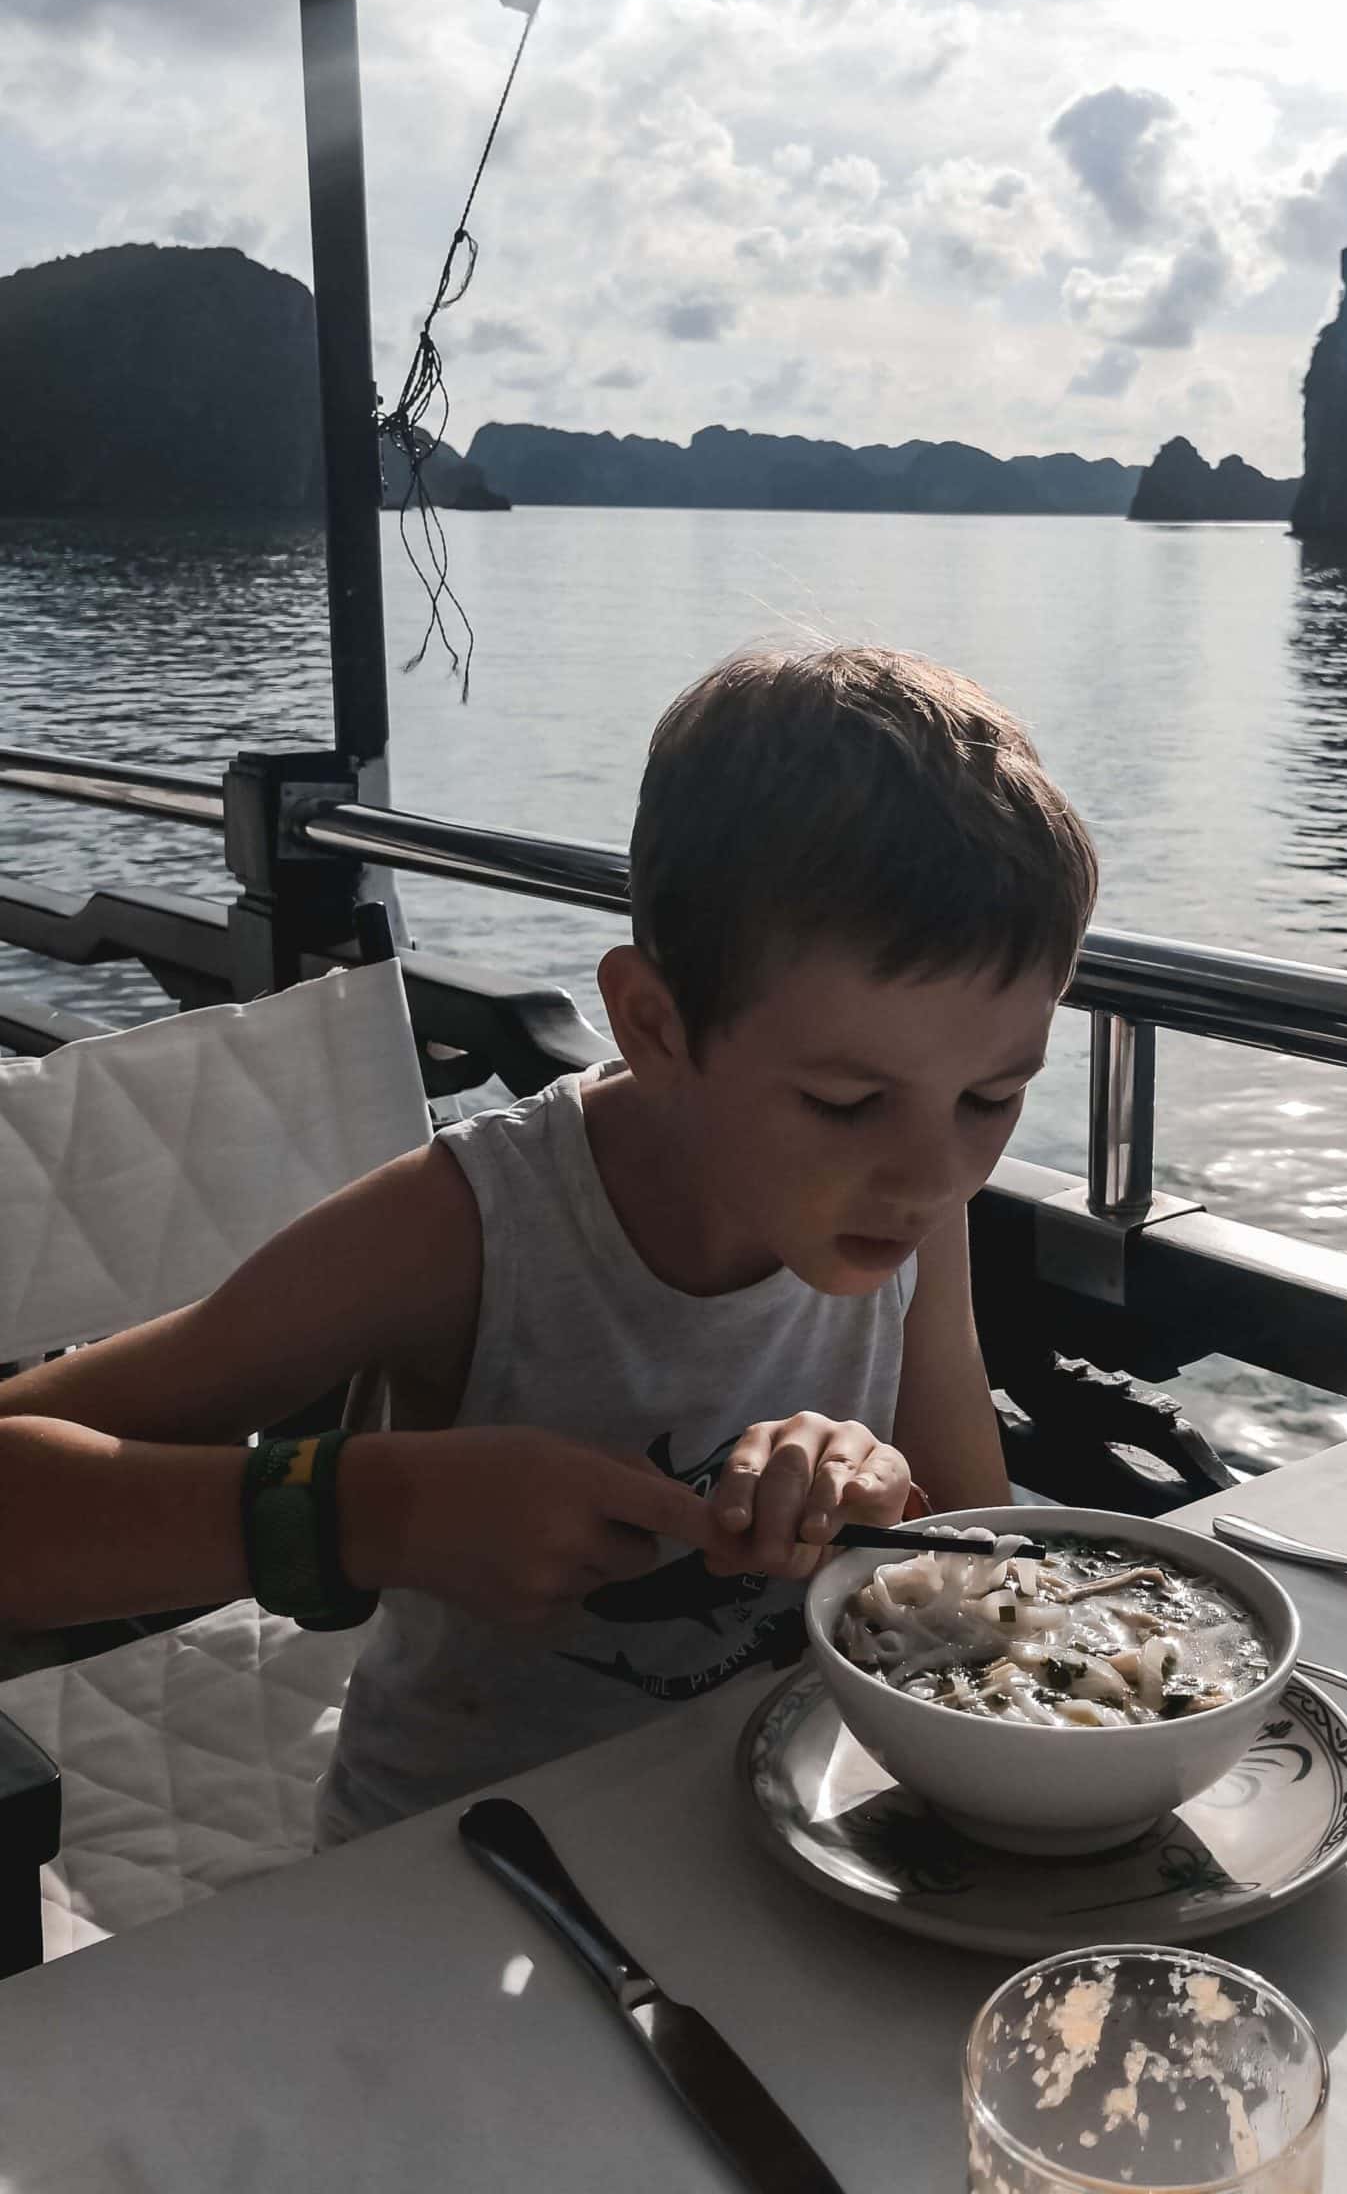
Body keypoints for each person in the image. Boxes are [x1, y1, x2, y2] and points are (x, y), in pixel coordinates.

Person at [0, 645, 1099, 1840]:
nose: (935, 1172)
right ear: (655, 1023)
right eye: (844, 1103)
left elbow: (983, 1556)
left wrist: (875, 1497)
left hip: (777, 1847)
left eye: (993, 1100)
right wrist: (372, 1511)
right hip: (463, 1870)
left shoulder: (913, 1207)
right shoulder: (471, 1227)